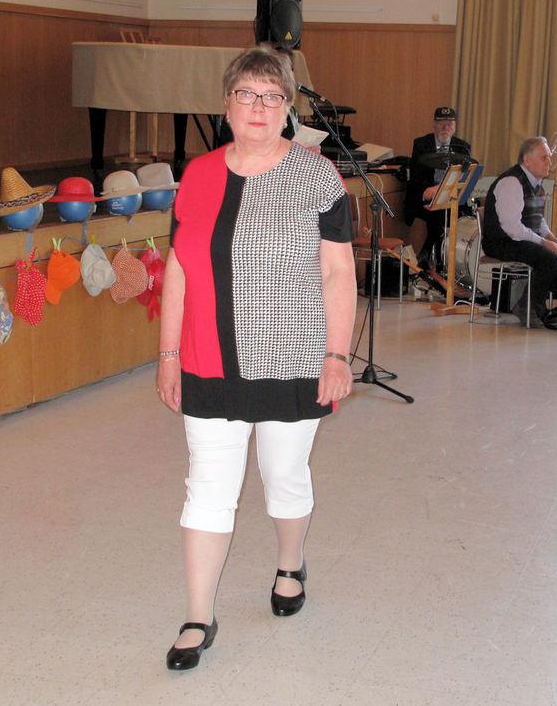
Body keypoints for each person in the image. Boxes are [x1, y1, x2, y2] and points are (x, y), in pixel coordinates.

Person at [156, 44, 357, 671]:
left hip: (292, 359)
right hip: (208, 358)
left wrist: (337, 355)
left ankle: (290, 565)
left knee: (283, 475)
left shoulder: (317, 175)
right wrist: (167, 354)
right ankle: (198, 615)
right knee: (207, 487)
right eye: (247, 94)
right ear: (227, 104)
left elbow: (338, 272)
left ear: (288, 107)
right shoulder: (197, 175)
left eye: (273, 96)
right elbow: (179, 268)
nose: (259, 107)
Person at [482, 136, 557, 328]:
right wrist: (544, 243)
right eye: (544, 157)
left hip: (519, 238)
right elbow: (512, 228)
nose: (549, 162)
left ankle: (534, 302)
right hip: (502, 241)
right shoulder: (512, 182)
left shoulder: (536, 183)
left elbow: (537, 219)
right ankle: (528, 307)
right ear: (527, 160)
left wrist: (552, 238)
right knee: (550, 259)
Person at [404, 107, 471, 270]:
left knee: (447, 211)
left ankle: (429, 254)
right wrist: (430, 190)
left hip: (450, 197)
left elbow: (464, 176)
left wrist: (443, 190)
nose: (445, 127)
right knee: (438, 211)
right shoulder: (421, 144)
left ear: (455, 126)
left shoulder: (462, 147)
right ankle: (439, 262)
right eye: (442, 123)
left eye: (450, 124)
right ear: (434, 125)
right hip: (425, 195)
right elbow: (416, 176)